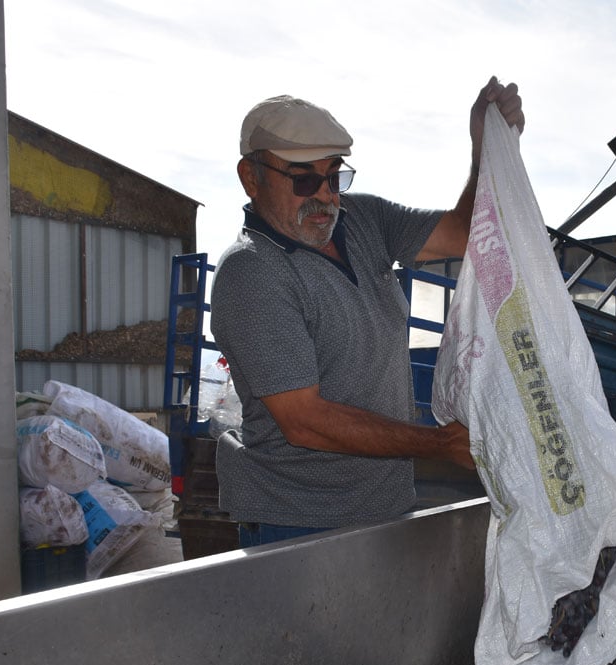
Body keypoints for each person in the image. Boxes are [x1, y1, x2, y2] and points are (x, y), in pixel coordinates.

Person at [209, 77, 524, 547]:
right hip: (297, 526)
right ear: (250, 178)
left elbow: (463, 232)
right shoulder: (252, 273)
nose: (326, 196)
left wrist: (487, 145)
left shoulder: (363, 221)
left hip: (384, 508)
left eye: (334, 176)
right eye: (304, 179)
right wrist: (439, 444)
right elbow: (305, 420)